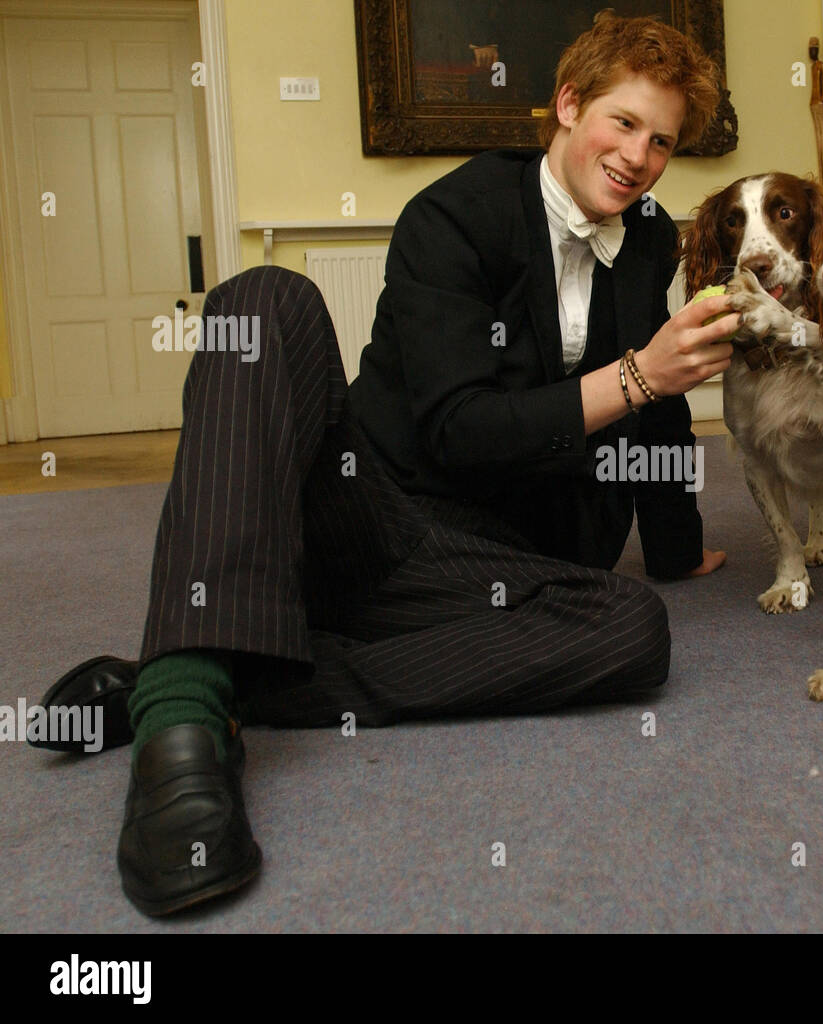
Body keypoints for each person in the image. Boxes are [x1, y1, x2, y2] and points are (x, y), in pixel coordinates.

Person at [32, 13, 739, 917]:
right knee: (264, 300)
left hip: (502, 564)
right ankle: (181, 721)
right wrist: (637, 375)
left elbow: (662, 404)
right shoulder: (455, 213)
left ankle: (246, 675)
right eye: (624, 122)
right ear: (568, 105)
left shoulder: (648, 239)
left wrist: (674, 546)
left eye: (663, 142)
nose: (640, 156)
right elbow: (461, 430)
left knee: (635, 631)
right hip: (373, 515)